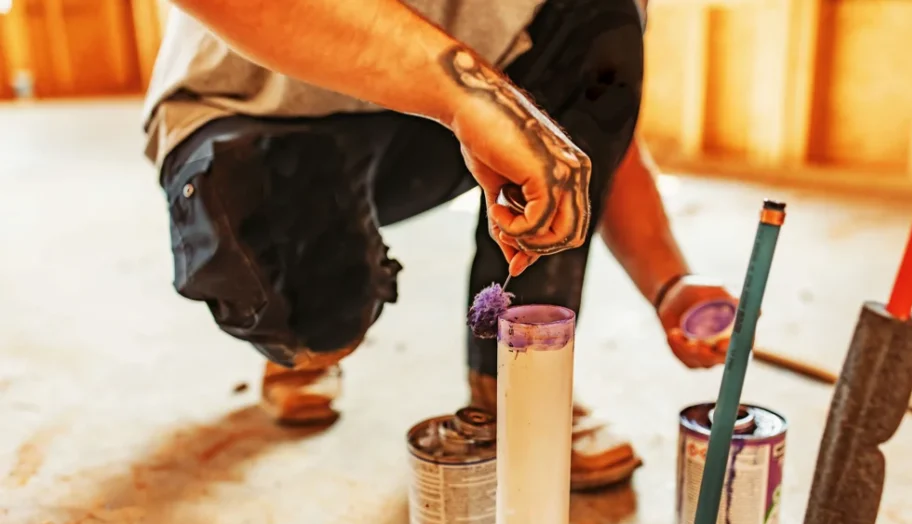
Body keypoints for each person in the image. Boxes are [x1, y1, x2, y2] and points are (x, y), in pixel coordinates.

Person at [143, 0, 734, 474]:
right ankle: (308, 314)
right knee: (312, 315)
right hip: (253, 112)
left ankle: (517, 383)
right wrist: (474, 98)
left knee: (602, 13)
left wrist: (668, 281)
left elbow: (591, 127)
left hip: (433, 122)